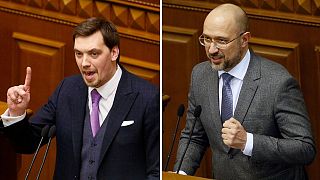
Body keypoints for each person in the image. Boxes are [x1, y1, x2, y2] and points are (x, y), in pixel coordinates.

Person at [0, 17, 160, 180]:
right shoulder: (67, 90)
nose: (84, 63)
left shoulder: (147, 98)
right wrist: (16, 113)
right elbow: (27, 143)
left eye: (93, 53)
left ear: (114, 52)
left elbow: (155, 171)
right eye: (78, 54)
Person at [173, 3, 315, 180]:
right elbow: (194, 136)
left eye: (222, 41)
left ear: (244, 40)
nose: (211, 50)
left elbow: (304, 148)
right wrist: (180, 174)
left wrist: (248, 141)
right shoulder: (200, 75)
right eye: (207, 39)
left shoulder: (278, 82)